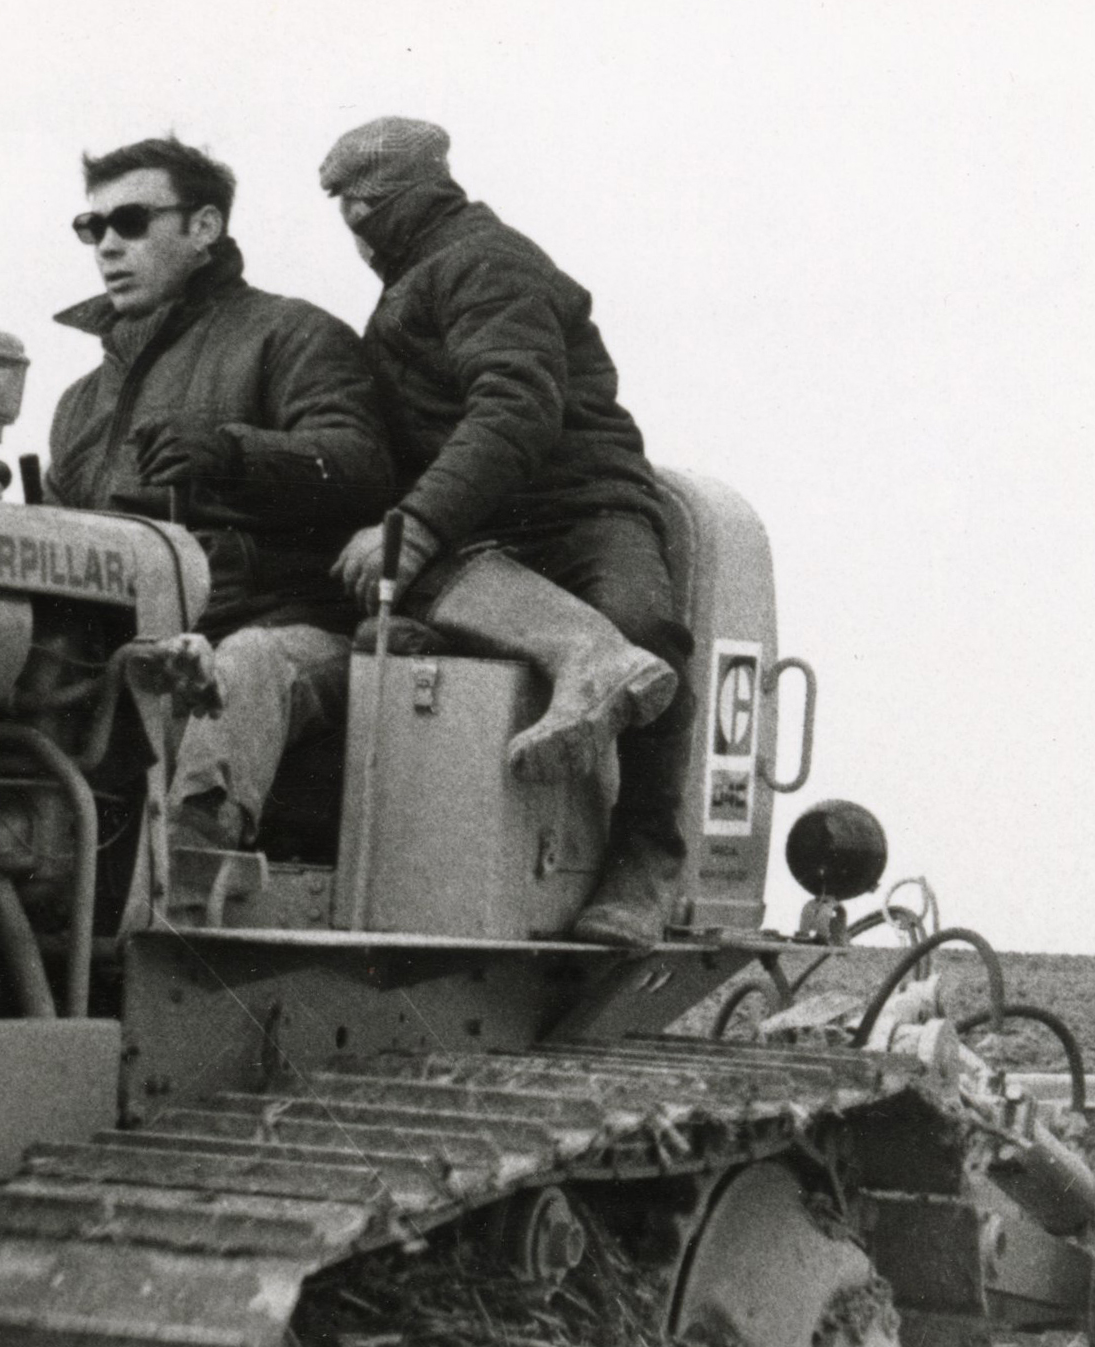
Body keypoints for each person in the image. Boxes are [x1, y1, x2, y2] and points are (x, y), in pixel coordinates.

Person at [315, 115, 695, 949]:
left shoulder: (483, 263)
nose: (353, 229)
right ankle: (583, 657)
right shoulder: (416, 279)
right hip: (488, 528)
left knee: (646, 630)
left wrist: (415, 522)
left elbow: (516, 406)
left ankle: (644, 868)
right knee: (377, 578)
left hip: (582, 506)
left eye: (360, 207)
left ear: (399, 200)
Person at [43, 135, 396, 856]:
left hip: (285, 625)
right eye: (93, 227)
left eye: (131, 221)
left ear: (205, 227)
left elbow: (366, 467)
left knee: (250, 666)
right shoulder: (79, 405)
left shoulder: (291, 335)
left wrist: (235, 452)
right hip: (135, 645)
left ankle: (195, 869)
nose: (107, 245)